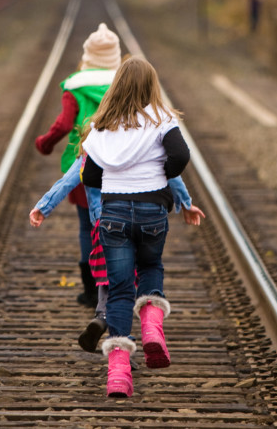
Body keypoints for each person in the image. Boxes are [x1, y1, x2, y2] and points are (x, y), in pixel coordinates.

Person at [80, 56, 205, 397]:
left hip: (114, 214)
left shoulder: (101, 125)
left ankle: (119, 374)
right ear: (152, 86)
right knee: (150, 266)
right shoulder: (162, 119)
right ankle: (151, 327)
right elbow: (180, 157)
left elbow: (90, 175)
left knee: (119, 290)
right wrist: (155, 173)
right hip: (152, 212)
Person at [28, 154, 198, 353]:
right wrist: (185, 203)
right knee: (129, 281)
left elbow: (67, 181)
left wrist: (43, 207)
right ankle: (131, 331)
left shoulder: (94, 146)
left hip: (104, 221)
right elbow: (173, 175)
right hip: (142, 214)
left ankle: (103, 317)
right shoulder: (144, 141)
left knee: (110, 277)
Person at [34, 22, 122, 309]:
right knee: (118, 222)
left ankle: (90, 291)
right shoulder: (124, 83)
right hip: (121, 162)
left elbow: (62, 124)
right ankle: (120, 284)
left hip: (84, 164)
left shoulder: (75, 85)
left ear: (88, 55)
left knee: (87, 226)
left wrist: (45, 143)